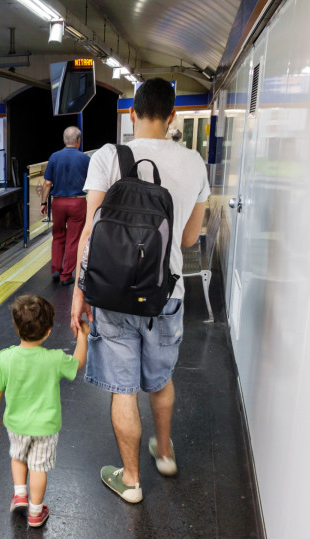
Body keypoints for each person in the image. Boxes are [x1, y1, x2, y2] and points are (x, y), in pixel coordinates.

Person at [70, 78, 209, 503]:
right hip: (166, 294)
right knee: (161, 380)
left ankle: (131, 481)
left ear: (131, 113)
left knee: (123, 388)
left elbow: (90, 232)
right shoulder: (194, 163)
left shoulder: (108, 157)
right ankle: (164, 454)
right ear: (172, 117)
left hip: (111, 294)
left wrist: (79, 294)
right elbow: (187, 241)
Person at [0, 294, 89, 527]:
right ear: (48, 331)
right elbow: (78, 362)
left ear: (16, 328)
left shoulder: (5, 358)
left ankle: (20, 493)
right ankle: (35, 511)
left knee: (18, 457)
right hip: (45, 427)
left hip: (16, 424)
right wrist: (83, 336)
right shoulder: (54, 359)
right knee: (38, 467)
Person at [40, 126, 90, 286]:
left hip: (58, 202)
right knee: (73, 239)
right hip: (78, 202)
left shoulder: (54, 157)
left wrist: (43, 203)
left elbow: (47, 183)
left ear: (64, 140)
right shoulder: (85, 159)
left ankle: (56, 268)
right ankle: (66, 275)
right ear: (78, 141)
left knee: (58, 235)